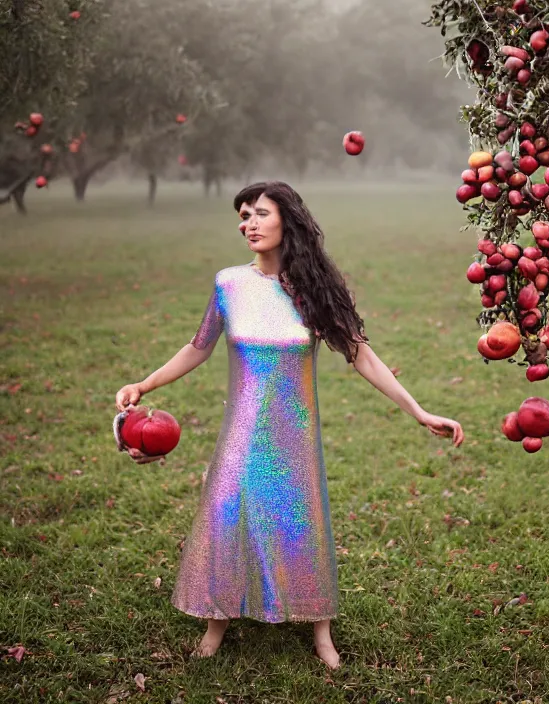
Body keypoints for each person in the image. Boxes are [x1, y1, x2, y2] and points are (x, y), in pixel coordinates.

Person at [114, 180, 464, 669]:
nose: (248, 224)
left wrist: (420, 411)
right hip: (241, 428)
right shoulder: (229, 284)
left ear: (287, 221)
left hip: (294, 434)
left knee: (302, 523)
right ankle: (218, 620)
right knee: (228, 512)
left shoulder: (313, 290)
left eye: (259, 213)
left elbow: (362, 356)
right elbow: (198, 346)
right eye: (243, 216)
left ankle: (320, 630)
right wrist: (145, 386)